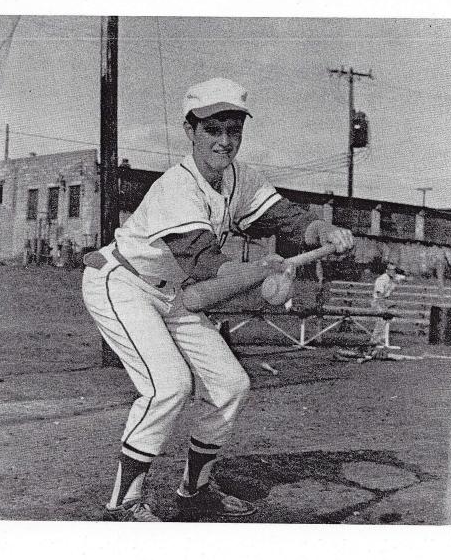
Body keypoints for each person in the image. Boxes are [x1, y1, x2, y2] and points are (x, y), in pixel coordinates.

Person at [81, 77, 354, 522]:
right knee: (168, 385)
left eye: (234, 129)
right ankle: (123, 505)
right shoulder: (177, 187)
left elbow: (287, 219)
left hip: (175, 294)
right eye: (212, 130)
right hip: (122, 283)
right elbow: (207, 275)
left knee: (231, 385)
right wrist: (265, 270)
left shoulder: (240, 177)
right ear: (190, 131)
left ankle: (195, 491)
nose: (224, 141)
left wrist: (322, 231)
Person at [370, 260, 406, 348]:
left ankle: (382, 340)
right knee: (381, 320)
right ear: (387, 270)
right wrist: (384, 307)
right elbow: (379, 295)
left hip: (386, 300)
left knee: (387, 320)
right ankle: (374, 341)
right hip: (378, 301)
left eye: (394, 270)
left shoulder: (394, 277)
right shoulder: (382, 279)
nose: (393, 272)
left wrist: (402, 272)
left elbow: (405, 277)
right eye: (391, 270)